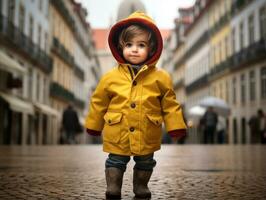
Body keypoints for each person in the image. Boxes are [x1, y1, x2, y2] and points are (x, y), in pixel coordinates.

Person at [85, 12, 187, 199]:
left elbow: (170, 103)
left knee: (146, 161)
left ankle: (141, 186)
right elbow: (98, 101)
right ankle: (113, 187)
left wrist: (176, 126)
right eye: (129, 45)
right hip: (118, 130)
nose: (134, 49)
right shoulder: (110, 77)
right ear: (120, 46)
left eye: (141, 45)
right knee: (115, 160)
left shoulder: (161, 77)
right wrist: (94, 124)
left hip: (147, 130)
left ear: (152, 48)